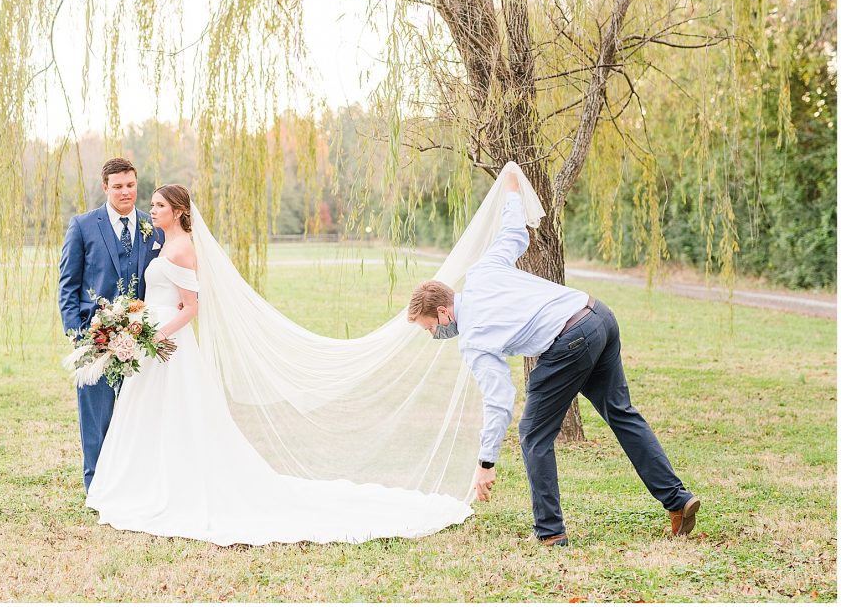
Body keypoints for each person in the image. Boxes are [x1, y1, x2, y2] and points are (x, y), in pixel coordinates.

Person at [82, 184, 473, 546]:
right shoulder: (161, 244)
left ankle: (175, 485)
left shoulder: (183, 248)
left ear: (180, 211)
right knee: (147, 413)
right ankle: (141, 481)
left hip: (167, 343)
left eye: (159, 206)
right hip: (151, 341)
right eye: (152, 205)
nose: (151, 210)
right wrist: (135, 325)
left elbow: (191, 308)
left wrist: (154, 335)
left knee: (178, 414)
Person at [407, 164, 700, 547]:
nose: (435, 335)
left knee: (533, 434)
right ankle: (677, 501)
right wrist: (512, 190)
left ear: (444, 313)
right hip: (598, 314)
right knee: (622, 414)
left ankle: (550, 533)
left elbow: (499, 401)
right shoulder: (482, 272)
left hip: (569, 339)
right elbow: (514, 234)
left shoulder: (473, 337)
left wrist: (485, 463)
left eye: (431, 327)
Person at [58, 157, 163, 492]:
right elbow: (68, 285)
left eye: (130, 185)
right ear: (105, 187)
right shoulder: (83, 226)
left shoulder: (153, 227)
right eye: (117, 186)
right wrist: (79, 337)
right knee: (96, 419)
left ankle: (135, 484)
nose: (125, 192)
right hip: (97, 340)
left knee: (139, 417)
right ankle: (97, 487)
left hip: (141, 338)